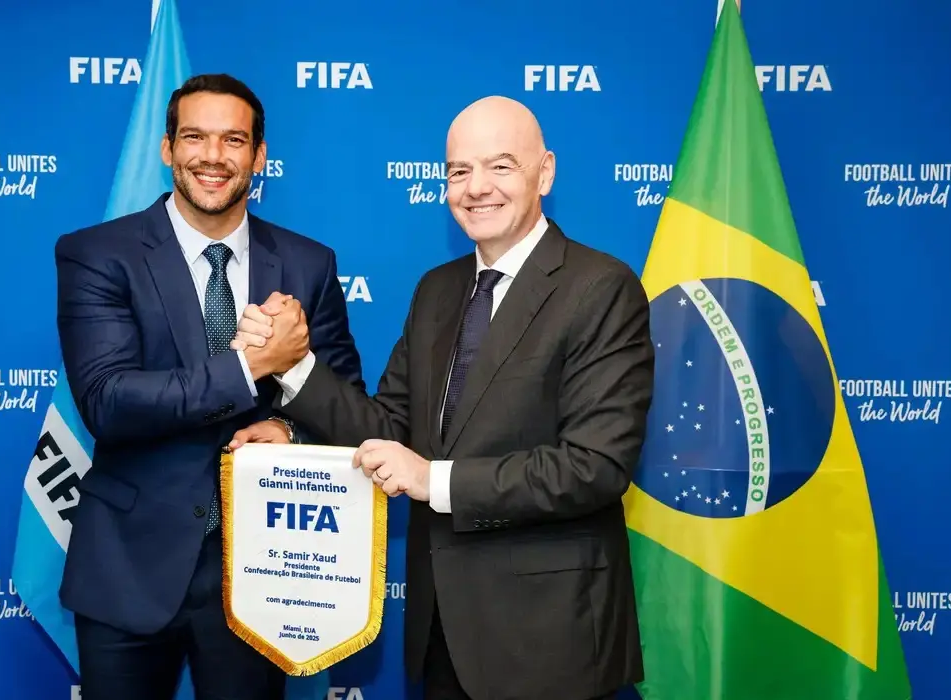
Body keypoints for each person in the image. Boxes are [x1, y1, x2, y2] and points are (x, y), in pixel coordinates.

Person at [230, 96, 653, 700]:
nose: (476, 187)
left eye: (500, 166)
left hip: (549, 637)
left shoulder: (601, 287)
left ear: (545, 173)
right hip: (441, 635)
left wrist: (433, 479)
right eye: (459, 171)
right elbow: (388, 427)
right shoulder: (436, 289)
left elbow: (595, 466)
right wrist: (292, 366)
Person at [54, 73, 364, 700]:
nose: (213, 156)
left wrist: (288, 428)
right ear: (167, 148)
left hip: (264, 570)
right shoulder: (98, 254)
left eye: (234, 140)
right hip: (129, 568)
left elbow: (347, 403)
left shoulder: (309, 263)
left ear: (259, 155)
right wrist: (253, 366)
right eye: (195, 137)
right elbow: (108, 402)